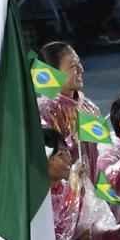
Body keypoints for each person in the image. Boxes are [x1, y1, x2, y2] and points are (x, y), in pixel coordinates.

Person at [36, 41, 102, 174]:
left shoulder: (89, 108)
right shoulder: (43, 111)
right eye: (73, 66)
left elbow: (97, 160)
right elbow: (47, 161)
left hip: (90, 192)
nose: (81, 69)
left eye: (79, 63)